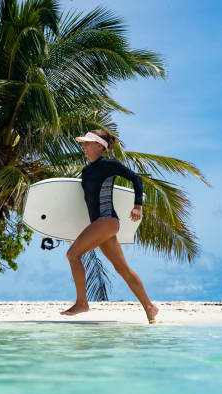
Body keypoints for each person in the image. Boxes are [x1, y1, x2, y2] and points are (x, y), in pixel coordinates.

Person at [60, 129, 159, 324]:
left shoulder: (108, 165)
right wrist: (70, 230)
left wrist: (137, 205)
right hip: (99, 225)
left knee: (72, 255)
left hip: (107, 221)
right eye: (84, 143)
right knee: (122, 269)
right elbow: (87, 203)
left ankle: (82, 303)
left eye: (88, 143)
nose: (84, 147)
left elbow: (136, 179)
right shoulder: (86, 171)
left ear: (99, 145)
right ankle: (149, 307)